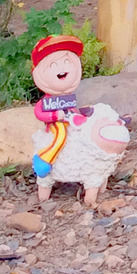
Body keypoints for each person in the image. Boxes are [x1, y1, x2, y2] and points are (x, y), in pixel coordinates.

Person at [30, 34, 91, 179]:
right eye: (53, 65)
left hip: (71, 121)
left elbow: (73, 109)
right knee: (61, 133)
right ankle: (45, 160)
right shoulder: (47, 101)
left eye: (67, 62)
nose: (62, 68)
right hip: (56, 124)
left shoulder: (69, 98)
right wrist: (54, 116)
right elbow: (39, 112)